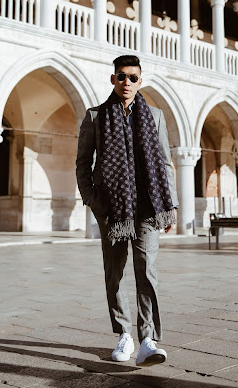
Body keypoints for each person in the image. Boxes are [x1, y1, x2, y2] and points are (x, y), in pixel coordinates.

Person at [76, 54, 178, 366]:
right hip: (112, 210)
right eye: (122, 76)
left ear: (140, 81)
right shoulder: (95, 117)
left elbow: (165, 163)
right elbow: (83, 162)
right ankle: (124, 334)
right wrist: (92, 200)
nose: (127, 83)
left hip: (148, 207)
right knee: (115, 274)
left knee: (147, 271)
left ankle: (148, 338)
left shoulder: (156, 116)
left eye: (133, 78)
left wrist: (170, 205)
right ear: (113, 79)